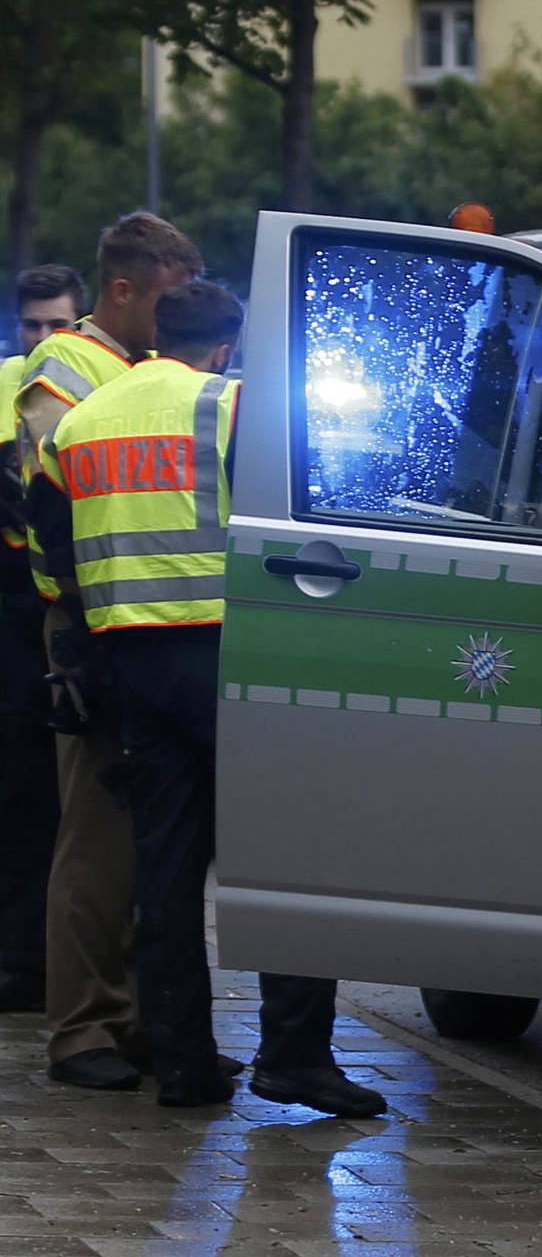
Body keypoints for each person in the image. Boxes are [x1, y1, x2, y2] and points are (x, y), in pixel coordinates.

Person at [38, 280, 387, 1115]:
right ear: (227, 346)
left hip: (131, 663)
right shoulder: (231, 409)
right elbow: (298, 532)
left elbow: (51, 550)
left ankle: (184, 1063)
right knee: (291, 855)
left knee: (165, 868)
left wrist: (87, 644)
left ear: (162, 332)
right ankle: (294, 1056)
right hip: (234, 654)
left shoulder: (86, 418)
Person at [16, 212, 200, 1091]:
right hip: (90, 626)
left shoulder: (137, 369)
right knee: (94, 836)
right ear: (122, 289)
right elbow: (41, 506)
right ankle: (82, 1026)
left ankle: (125, 1017)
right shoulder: (67, 367)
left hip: (147, 626)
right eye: (163, 301)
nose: (173, 323)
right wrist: (78, 633)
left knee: (139, 836)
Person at [0, 265, 86, 1013]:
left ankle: (45, 962)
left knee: (63, 803)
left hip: (65, 615)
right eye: (30, 325)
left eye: (55, 324)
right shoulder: (5, 385)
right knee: (19, 795)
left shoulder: (95, 386)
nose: (40, 340)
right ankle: (20, 962)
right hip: (9, 612)